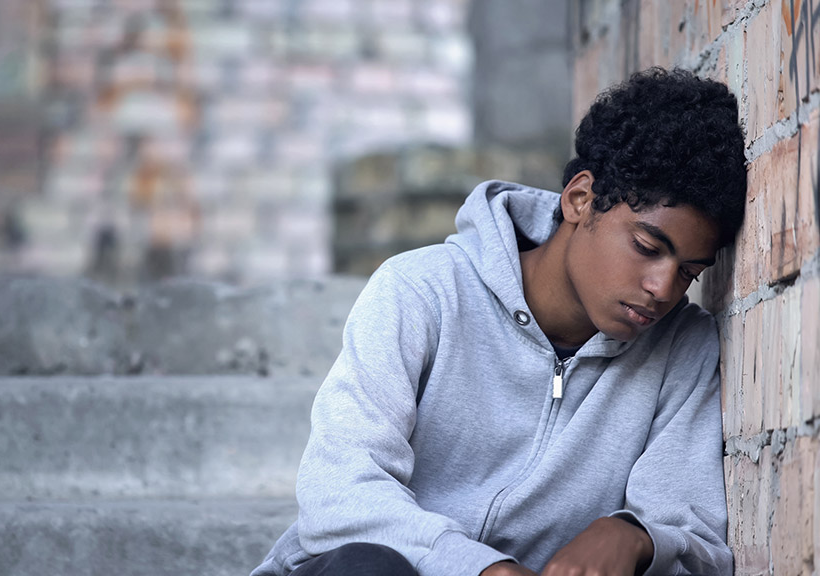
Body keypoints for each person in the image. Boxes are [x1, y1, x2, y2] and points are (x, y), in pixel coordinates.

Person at [250, 67, 746, 576]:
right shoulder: (421, 291)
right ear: (580, 200)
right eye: (646, 247)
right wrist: (481, 568)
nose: (662, 288)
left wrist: (636, 537)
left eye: (688, 272)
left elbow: (697, 540)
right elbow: (339, 491)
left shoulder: (683, 348)